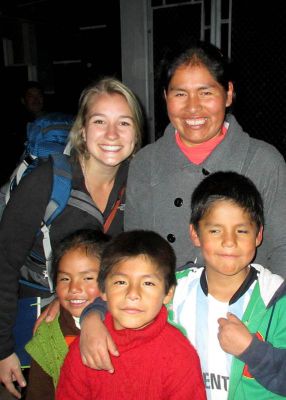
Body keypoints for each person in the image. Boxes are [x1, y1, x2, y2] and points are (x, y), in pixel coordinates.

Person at [77, 172, 286, 399]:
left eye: (242, 230)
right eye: (215, 230)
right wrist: (92, 316)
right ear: (195, 234)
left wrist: (252, 350)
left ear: (258, 235)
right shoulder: (176, 287)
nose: (229, 241)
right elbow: (127, 295)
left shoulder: (276, 300)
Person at [0, 76, 143, 399]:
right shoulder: (47, 182)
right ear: (82, 130)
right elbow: (4, 264)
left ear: (136, 133)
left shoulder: (136, 186)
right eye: (99, 122)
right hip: (33, 318)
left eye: (123, 122)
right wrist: (3, 349)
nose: (111, 134)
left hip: (97, 313)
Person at [124, 39, 286, 277]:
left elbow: (282, 249)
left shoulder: (264, 162)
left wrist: (271, 312)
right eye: (180, 94)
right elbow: (133, 252)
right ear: (165, 96)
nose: (193, 108)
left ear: (228, 94)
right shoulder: (145, 163)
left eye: (206, 92)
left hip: (248, 308)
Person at [56, 230, 206, 400]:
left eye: (148, 283)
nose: (132, 293)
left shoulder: (179, 356)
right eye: (121, 282)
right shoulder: (86, 349)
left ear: (168, 293)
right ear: (103, 290)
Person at [24, 229, 109, 400]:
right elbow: (39, 392)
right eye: (65, 279)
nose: (74, 289)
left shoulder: (126, 322)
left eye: (87, 278)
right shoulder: (47, 334)